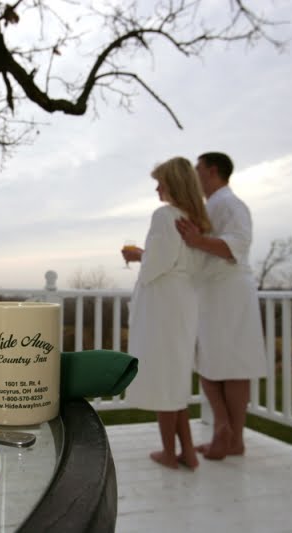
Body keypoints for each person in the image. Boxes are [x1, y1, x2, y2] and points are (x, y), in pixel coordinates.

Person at [175, 152, 267, 460]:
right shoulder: (210, 206)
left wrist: (196, 240)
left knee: (233, 365)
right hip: (210, 292)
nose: (195, 174)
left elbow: (236, 245)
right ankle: (226, 432)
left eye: (198, 169)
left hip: (229, 291)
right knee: (209, 361)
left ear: (212, 171)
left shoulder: (231, 204)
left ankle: (230, 436)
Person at [125, 157, 211, 470]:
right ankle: (186, 452)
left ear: (173, 184)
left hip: (163, 305)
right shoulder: (196, 221)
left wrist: (138, 257)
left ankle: (169, 453)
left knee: (164, 378)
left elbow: (155, 267)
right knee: (174, 378)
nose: (157, 188)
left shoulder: (165, 216)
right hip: (183, 302)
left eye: (161, 181)